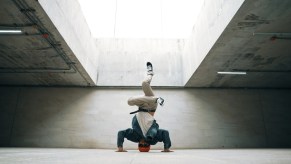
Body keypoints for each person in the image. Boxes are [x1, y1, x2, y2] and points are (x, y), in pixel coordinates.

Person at [116, 62, 173, 152]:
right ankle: (155, 98)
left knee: (129, 101)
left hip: (142, 104)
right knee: (144, 84)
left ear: (138, 144)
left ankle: (150, 76)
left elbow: (121, 133)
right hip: (151, 106)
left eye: (141, 145)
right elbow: (165, 133)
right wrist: (166, 148)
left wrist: (120, 148)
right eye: (145, 145)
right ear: (149, 145)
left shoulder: (134, 137)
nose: (143, 143)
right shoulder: (153, 140)